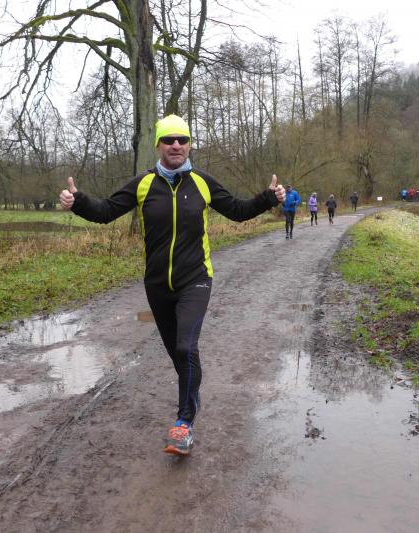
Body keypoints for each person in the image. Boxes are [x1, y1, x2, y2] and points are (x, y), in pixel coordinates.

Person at [59, 114, 286, 456]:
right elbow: (106, 211)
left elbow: (238, 210)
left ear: (190, 145)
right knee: (178, 356)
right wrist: (78, 202)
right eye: (169, 139)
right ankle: (191, 397)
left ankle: (184, 422)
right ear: (159, 146)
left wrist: (269, 198)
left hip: (195, 280)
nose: (176, 145)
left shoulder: (203, 183)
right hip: (157, 287)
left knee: (185, 347)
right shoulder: (143, 184)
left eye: (182, 139)